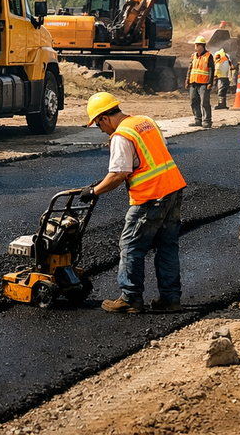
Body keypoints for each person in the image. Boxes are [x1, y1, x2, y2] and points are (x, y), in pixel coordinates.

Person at [81, 92, 187, 314]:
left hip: (151, 197)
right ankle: (170, 299)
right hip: (173, 189)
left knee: (130, 245)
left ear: (104, 118)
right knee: (167, 246)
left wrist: (93, 191)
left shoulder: (121, 136)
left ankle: (130, 298)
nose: (102, 130)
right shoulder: (145, 122)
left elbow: (119, 174)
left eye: (99, 125)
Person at [186, 35, 215, 128]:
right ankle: (197, 119)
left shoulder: (209, 56)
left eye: (197, 45)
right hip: (193, 82)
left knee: (204, 102)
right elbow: (190, 69)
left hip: (204, 83)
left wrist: (210, 82)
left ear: (201, 46)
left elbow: (211, 70)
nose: (195, 48)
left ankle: (207, 121)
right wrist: (187, 80)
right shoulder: (194, 56)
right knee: (194, 101)